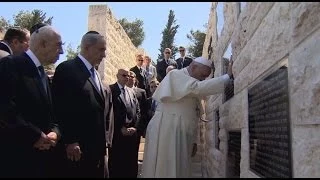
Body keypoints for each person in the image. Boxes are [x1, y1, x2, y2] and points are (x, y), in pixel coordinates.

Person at [141, 56, 233, 178]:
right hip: (167, 128)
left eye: (205, 77)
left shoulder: (190, 81)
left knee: (180, 167)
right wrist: (227, 77)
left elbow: (194, 114)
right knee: (166, 167)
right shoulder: (176, 75)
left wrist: (194, 141)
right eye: (202, 75)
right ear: (194, 67)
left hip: (180, 131)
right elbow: (198, 88)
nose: (203, 79)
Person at [0, 25, 63, 177]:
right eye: (58, 46)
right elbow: (5, 108)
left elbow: (51, 113)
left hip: (41, 161)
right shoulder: (11, 65)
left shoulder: (42, 75)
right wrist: (34, 135)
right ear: (43, 44)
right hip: (17, 160)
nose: (61, 52)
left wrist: (55, 132)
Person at [52, 31, 112, 178]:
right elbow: (60, 107)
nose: (104, 55)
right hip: (77, 150)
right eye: (101, 49)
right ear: (86, 47)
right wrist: (70, 140)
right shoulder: (67, 69)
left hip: (96, 150)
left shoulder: (97, 75)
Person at [109, 69, 141, 178]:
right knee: (116, 166)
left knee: (130, 165)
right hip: (118, 135)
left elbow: (137, 111)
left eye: (128, 76)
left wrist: (135, 127)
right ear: (117, 76)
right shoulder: (110, 90)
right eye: (124, 75)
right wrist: (120, 128)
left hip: (131, 135)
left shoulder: (131, 91)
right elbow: (109, 112)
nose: (127, 77)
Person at [126, 71, 149, 163]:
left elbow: (144, 111)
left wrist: (139, 127)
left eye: (132, 76)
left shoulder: (141, 92)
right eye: (128, 76)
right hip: (123, 130)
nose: (130, 78)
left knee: (133, 154)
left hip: (136, 128)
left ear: (135, 79)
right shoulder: (121, 90)